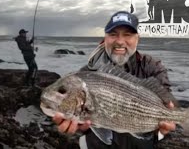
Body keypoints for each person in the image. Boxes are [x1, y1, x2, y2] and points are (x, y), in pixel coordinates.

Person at [52, 11, 178, 149]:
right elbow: (85, 122)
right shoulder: (86, 74)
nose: (119, 41)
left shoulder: (153, 67)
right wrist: (77, 129)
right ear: (105, 38)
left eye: (127, 35)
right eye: (113, 34)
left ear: (137, 39)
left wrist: (162, 131)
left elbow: (168, 106)